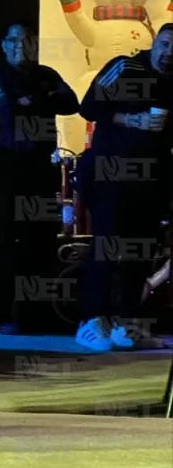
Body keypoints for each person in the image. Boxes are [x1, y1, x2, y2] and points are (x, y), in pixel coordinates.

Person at [74, 22, 173, 352]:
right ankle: (91, 321)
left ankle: (127, 324)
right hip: (109, 169)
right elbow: (88, 107)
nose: (169, 53)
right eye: (165, 44)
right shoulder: (125, 66)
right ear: (154, 43)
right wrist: (132, 120)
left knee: (140, 249)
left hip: (153, 176)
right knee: (107, 243)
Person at [0, 24, 79, 332]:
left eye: (28, 40)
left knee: (41, 244)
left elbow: (72, 104)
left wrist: (32, 100)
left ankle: (35, 316)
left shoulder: (46, 73)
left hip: (40, 171)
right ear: (4, 45)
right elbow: (8, 114)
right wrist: (42, 99)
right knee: (4, 243)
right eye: (14, 40)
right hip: (7, 171)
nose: (21, 45)